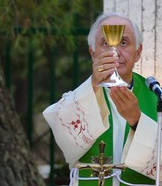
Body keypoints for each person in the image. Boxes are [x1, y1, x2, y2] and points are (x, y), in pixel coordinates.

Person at [43, 12, 161, 185]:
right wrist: (92, 86)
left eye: (124, 42)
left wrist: (137, 121)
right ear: (93, 52)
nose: (116, 52)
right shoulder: (80, 96)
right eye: (106, 43)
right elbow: (63, 135)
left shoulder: (156, 97)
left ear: (138, 52)